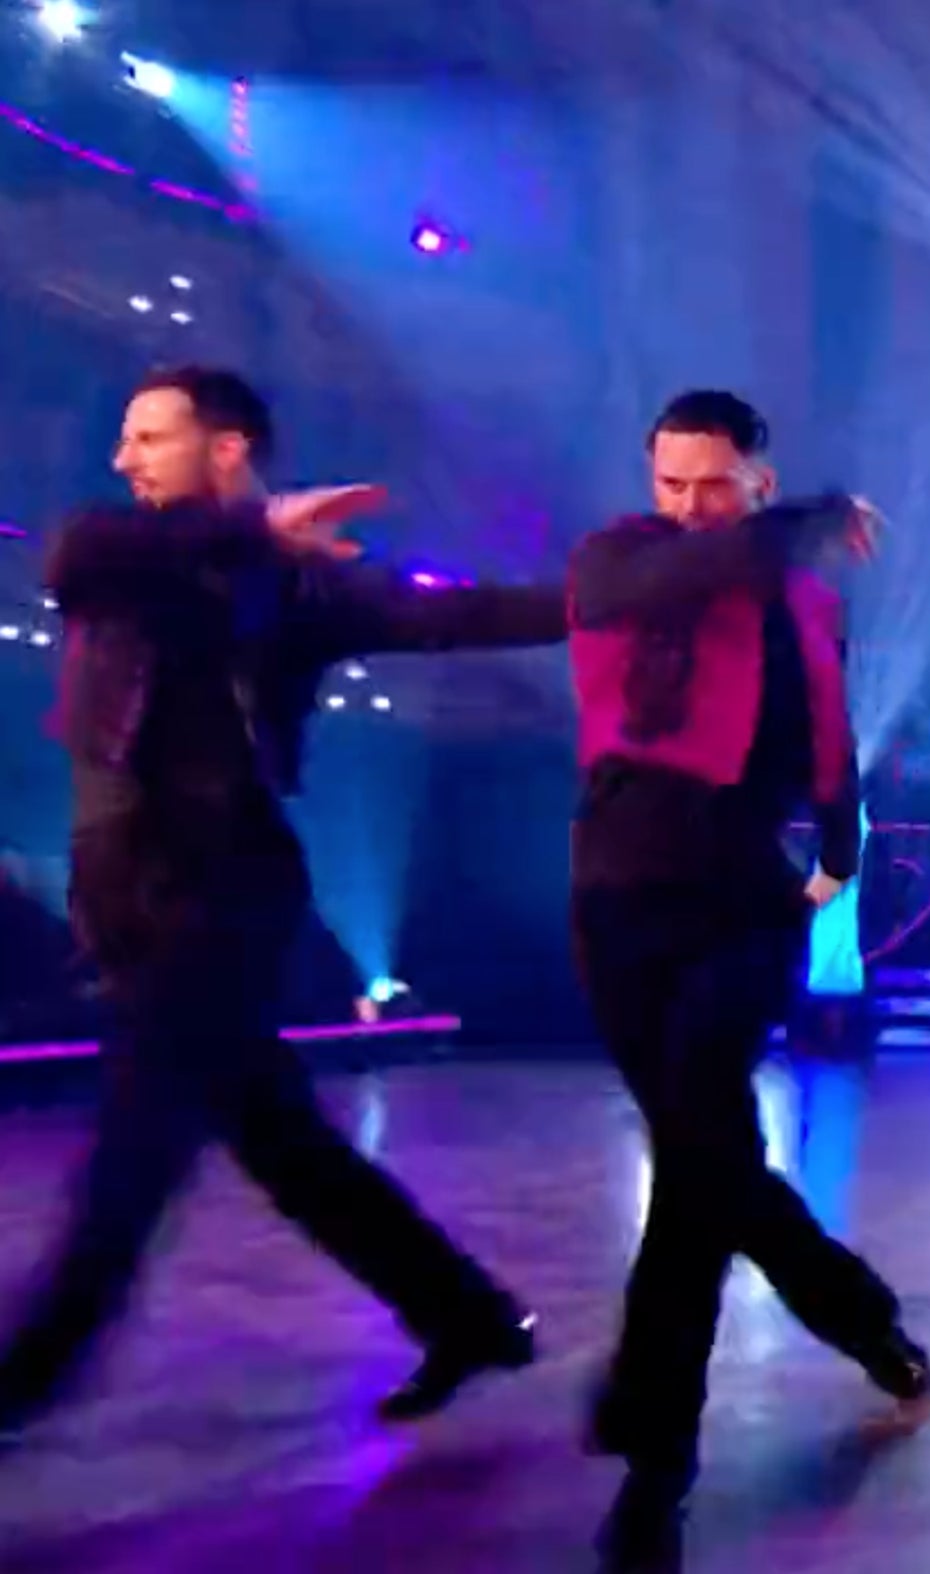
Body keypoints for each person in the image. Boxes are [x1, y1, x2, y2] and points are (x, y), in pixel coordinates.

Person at [0, 366, 559, 1437]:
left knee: (131, 1159)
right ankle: (471, 1315)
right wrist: (255, 525)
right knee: (290, 1149)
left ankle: (22, 1378)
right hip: (131, 896)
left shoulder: (296, 590)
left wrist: (622, 589)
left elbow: (453, 615)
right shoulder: (129, 554)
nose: (125, 457)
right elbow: (76, 552)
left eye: (150, 437)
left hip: (215, 894)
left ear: (226, 446)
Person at [565, 390, 929, 1565]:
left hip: (741, 909)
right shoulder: (623, 560)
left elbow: (832, 739)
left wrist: (833, 860)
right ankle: (863, 1315)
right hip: (616, 905)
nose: (687, 506)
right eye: (669, 481)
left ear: (756, 483)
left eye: (712, 485)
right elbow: (658, 581)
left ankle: (657, 1450)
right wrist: (810, 520)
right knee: (714, 1155)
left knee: (692, 1166)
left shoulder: (806, 600)